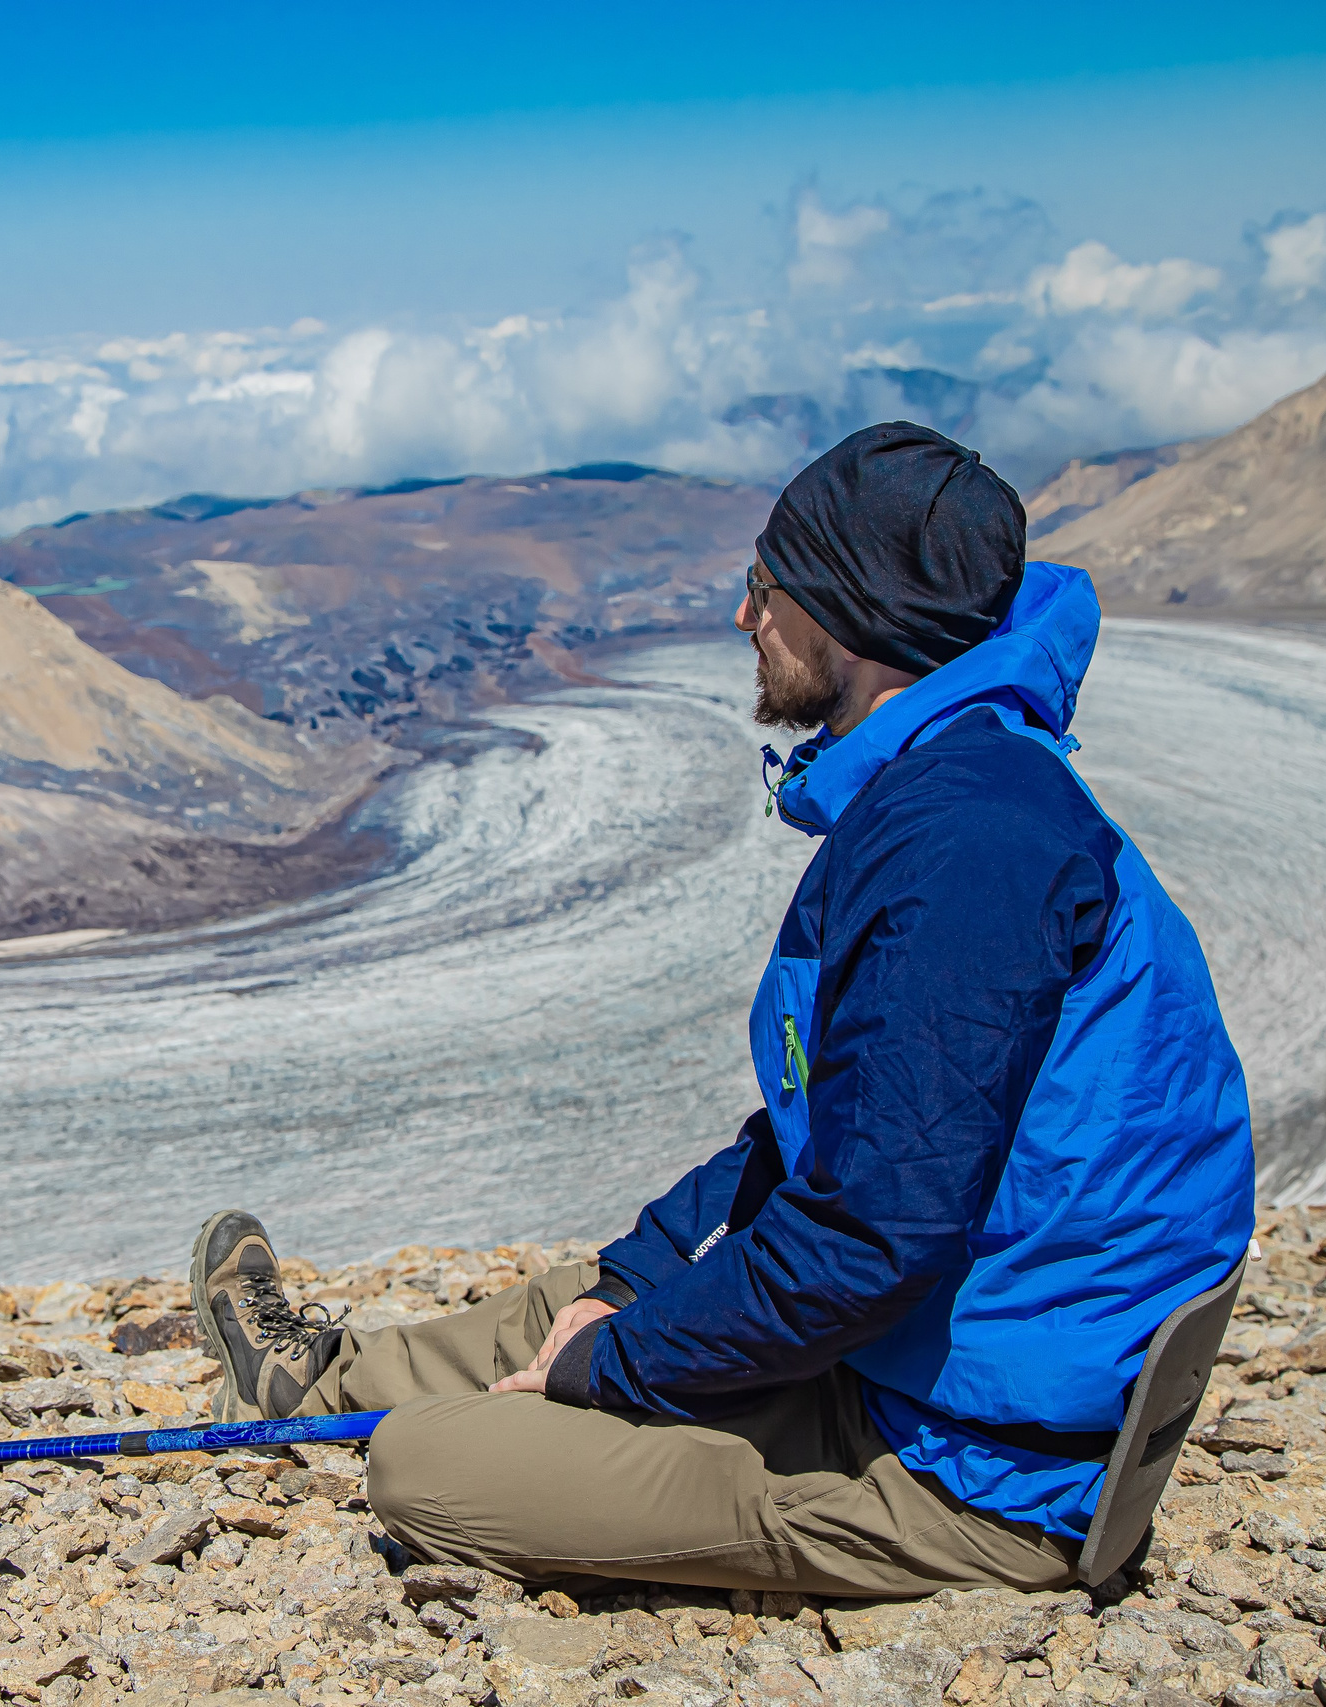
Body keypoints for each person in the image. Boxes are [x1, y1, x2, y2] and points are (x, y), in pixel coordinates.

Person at [188, 422, 1255, 1597]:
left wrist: (616, 1367)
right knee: (585, 1297)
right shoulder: (960, 781)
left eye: (764, 585)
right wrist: (631, 1287)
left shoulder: (965, 848)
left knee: (426, 1472)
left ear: (846, 613)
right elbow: (833, 1144)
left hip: (972, 1476)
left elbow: (872, 1237)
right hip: (934, 1372)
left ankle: (415, 1417)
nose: (747, 618)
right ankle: (310, 1384)